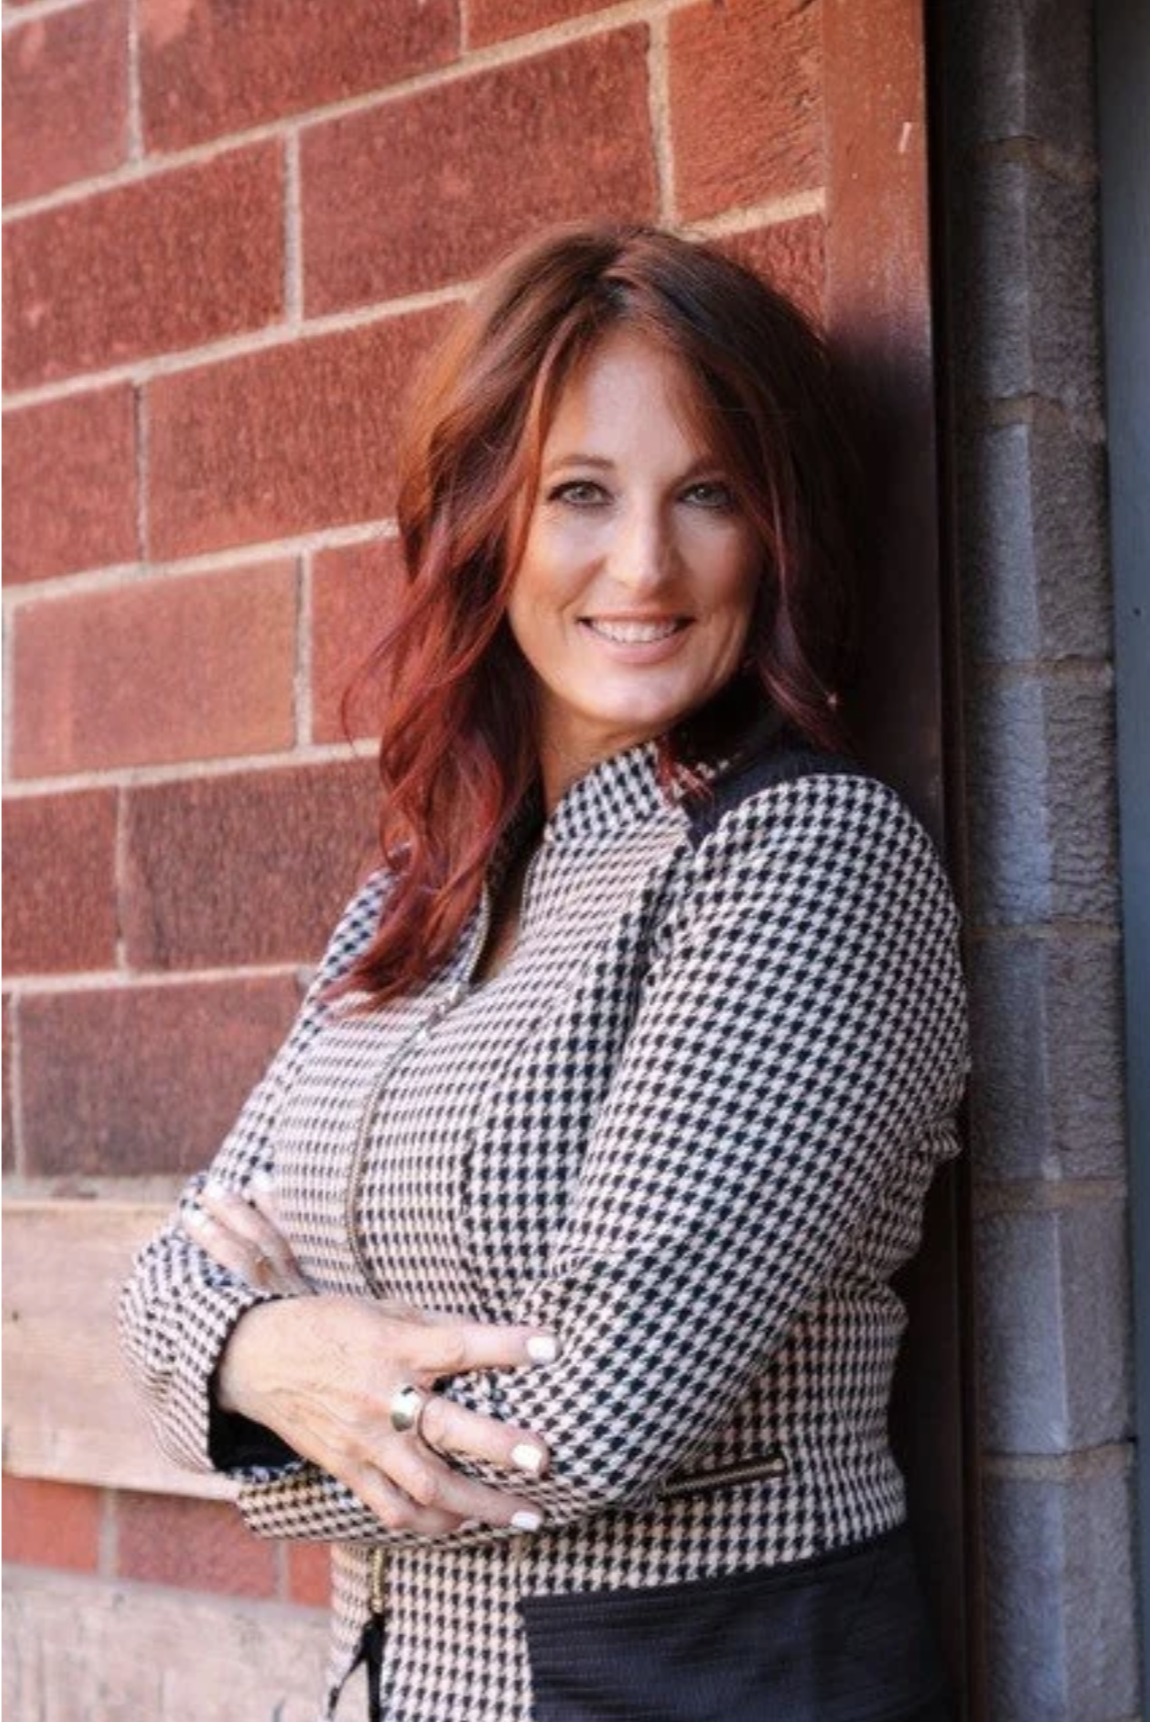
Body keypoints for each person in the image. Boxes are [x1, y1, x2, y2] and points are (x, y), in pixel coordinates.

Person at [121, 223, 969, 1722]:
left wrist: (255, 1398)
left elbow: (585, 1419)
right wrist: (246, 1348)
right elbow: (176, 1267)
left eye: (706, 493)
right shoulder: (417, 887)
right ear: (483, 519)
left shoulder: (804, 860)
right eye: (579, 493)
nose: (642, 563)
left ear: (777, 530)